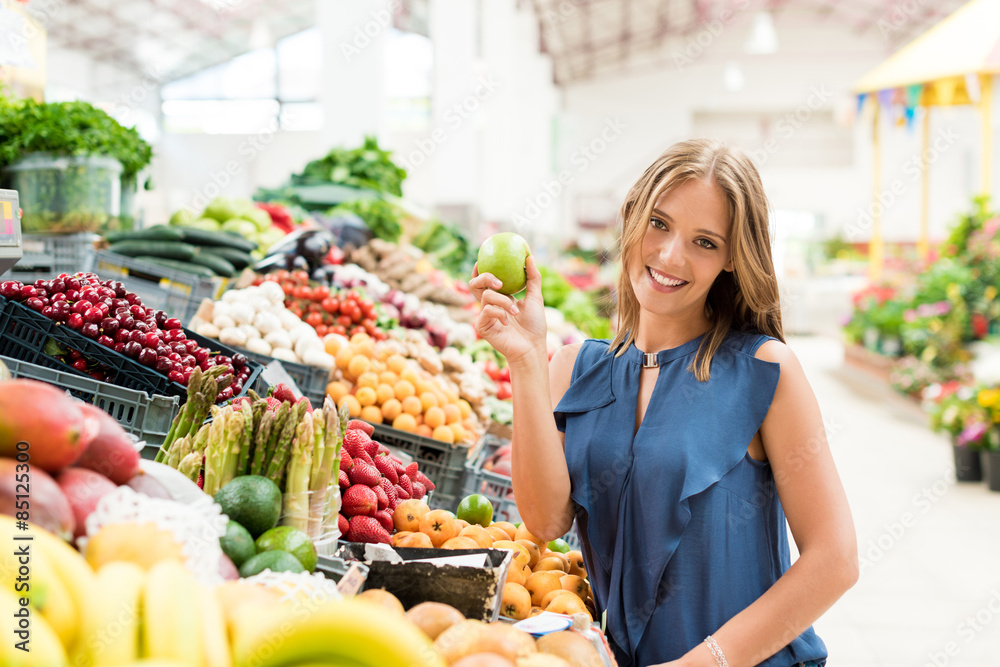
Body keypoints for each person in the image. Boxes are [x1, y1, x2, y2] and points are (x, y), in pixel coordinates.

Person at [469, 139, 858, 667]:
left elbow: (835, 560)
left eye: (704, 242)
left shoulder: (764, 371)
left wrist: (705, 662)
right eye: (659, 223)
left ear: (730, 260)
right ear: (632, 220)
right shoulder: (572, 368)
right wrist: (525, 359)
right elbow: (544, 519)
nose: (671, 255)